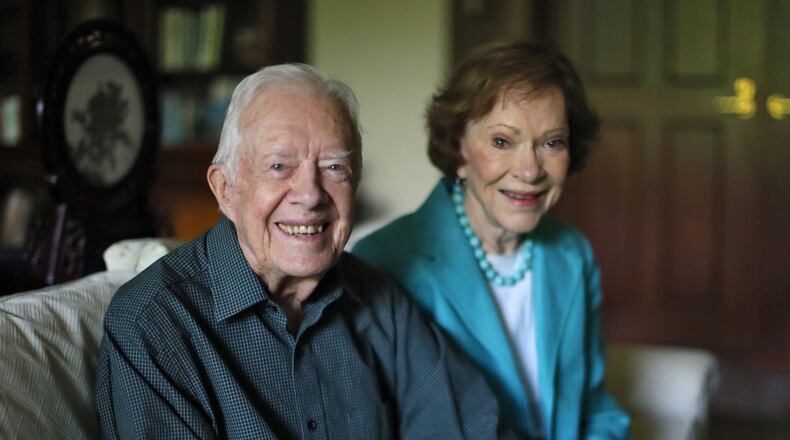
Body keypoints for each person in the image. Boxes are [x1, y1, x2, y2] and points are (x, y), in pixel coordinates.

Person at [94, 64, 502, 439]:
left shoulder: (381, 303)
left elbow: (472, 428)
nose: (310, 195)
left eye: (334, 168)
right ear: (225, 189)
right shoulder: (152, 326)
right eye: (279, 166)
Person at [353, 42, 630, 439]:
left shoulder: (572, 253)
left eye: (552, 142)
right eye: (502, 141)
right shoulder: (385, 263)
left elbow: (594, 408)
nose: (530, 170)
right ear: (459, 150)